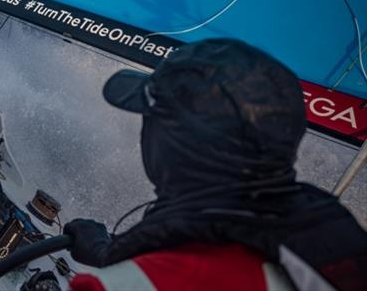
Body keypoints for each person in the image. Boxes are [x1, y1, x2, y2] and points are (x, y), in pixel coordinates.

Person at [65, 38, 367, 291]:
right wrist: (109, 254)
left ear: (173, 142)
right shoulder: (331, 243)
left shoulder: (122, 286)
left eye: (151, 120)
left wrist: (114, 268)